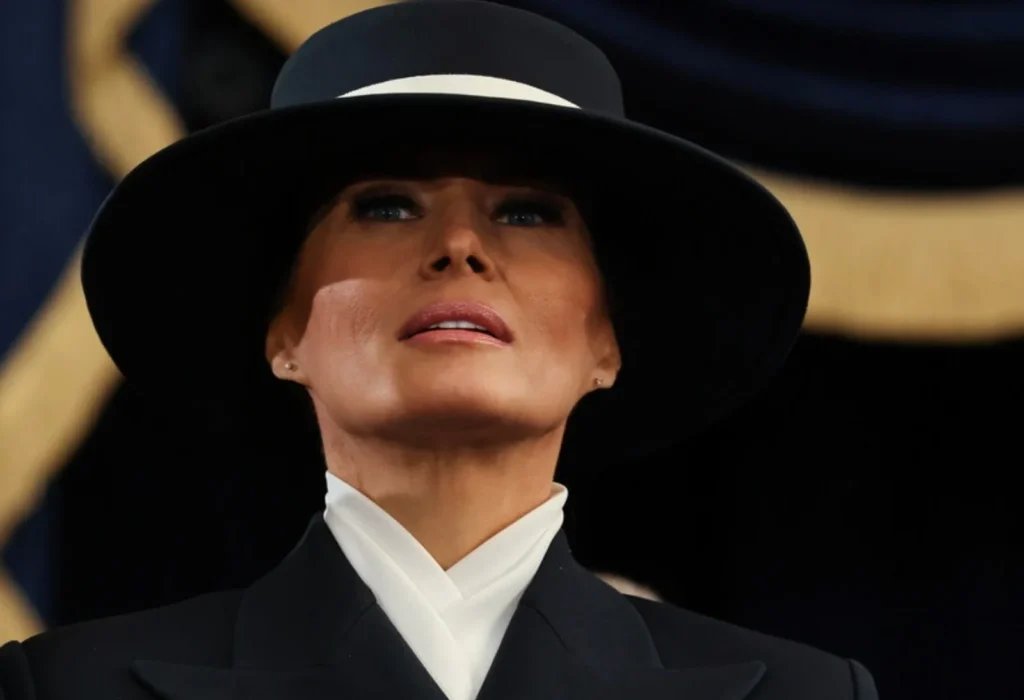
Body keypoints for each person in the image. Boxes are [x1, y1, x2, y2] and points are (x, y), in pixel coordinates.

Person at [0, 2, 878, 699]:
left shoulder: (801, 693)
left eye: (528, 212)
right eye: (385, 206)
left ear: (607, 341)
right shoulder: (70, 687)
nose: (459, 245)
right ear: (283, 332)